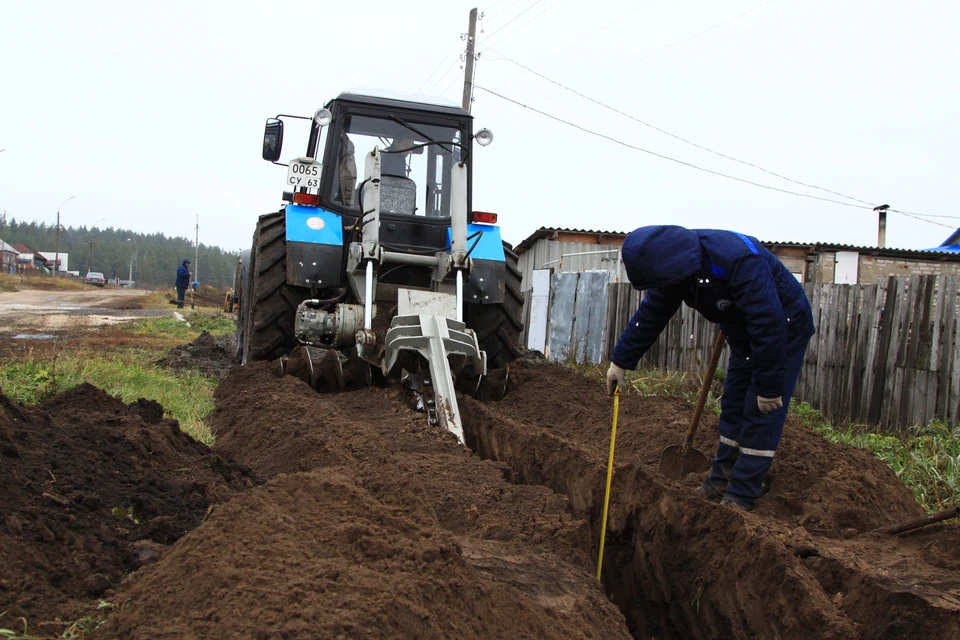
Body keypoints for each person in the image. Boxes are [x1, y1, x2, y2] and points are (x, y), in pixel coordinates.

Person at [606, 225, 815, 511]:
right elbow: (652, 312)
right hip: (741, 331)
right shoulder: (676, 271)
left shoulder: (738, 260)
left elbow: (768, 322)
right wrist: (621, 361)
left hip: (782, 329)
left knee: (759, 410)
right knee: (733, 404)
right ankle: (720, 479)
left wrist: (769, 387)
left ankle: (742, 494)